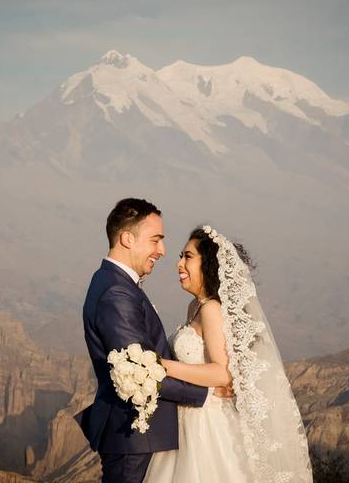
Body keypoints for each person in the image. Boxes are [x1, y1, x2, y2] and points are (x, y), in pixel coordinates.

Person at [75, 198, 231, 483]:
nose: (163, 251)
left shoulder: (114, 284)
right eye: (155, 240)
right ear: (127, 239)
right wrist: (206, 395)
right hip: (133, 436)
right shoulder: (116, 294)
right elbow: (140, 372)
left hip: (148, 436)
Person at [143, 225, 313, 482]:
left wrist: (162, 366)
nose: (179, 263)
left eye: (188, 257)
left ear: (208, 264)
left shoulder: (211, 308)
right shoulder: (195, 307)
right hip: (187, 419)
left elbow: (223, 371)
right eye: (181, 256)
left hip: (207, 425)